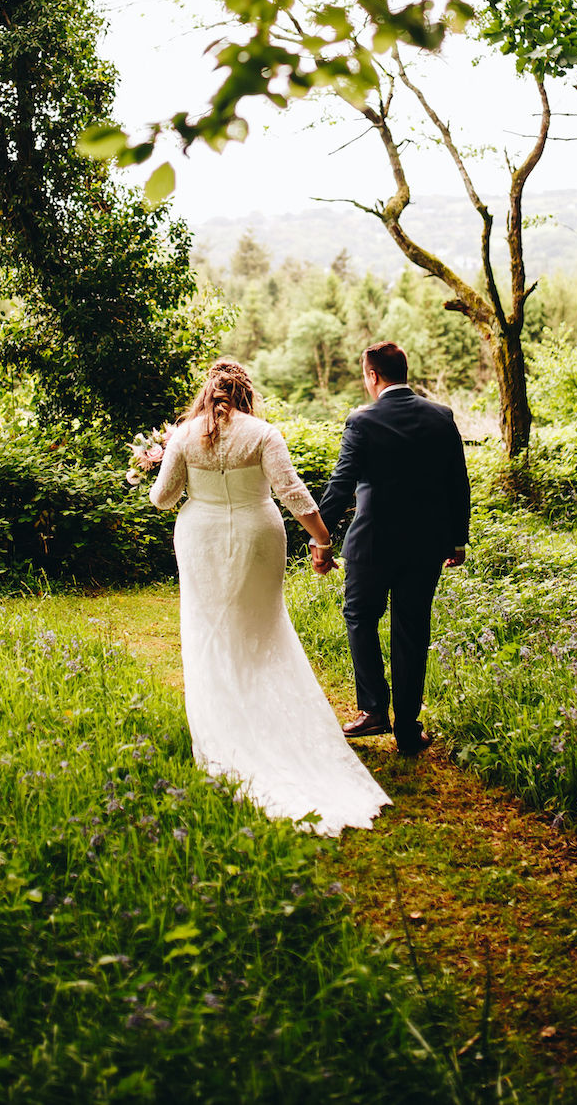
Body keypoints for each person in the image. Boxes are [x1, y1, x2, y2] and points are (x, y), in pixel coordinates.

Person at [149, 358, 390, 836]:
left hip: (200, 535)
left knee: (208, 628)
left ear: (208, 392)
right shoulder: (263, 433)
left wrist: (160, 465)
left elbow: (163, 499)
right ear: (245, 393)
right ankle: (269, 718)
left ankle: (223, 723)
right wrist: (322, 539)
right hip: (260, 534)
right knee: (262, 625)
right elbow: (293, 493)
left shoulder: (183, 435)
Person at [318, 341, 470, 757]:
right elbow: (458, 482)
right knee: (412, 630)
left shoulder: (361, 420)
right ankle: (407, 728)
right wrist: (457, 538)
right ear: (404, 370)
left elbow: (341, 485)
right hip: (427, 545)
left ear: (373, 376)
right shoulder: (441, 416)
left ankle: (373, 710)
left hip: (371, 544)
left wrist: (321, 536)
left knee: (359, 616)